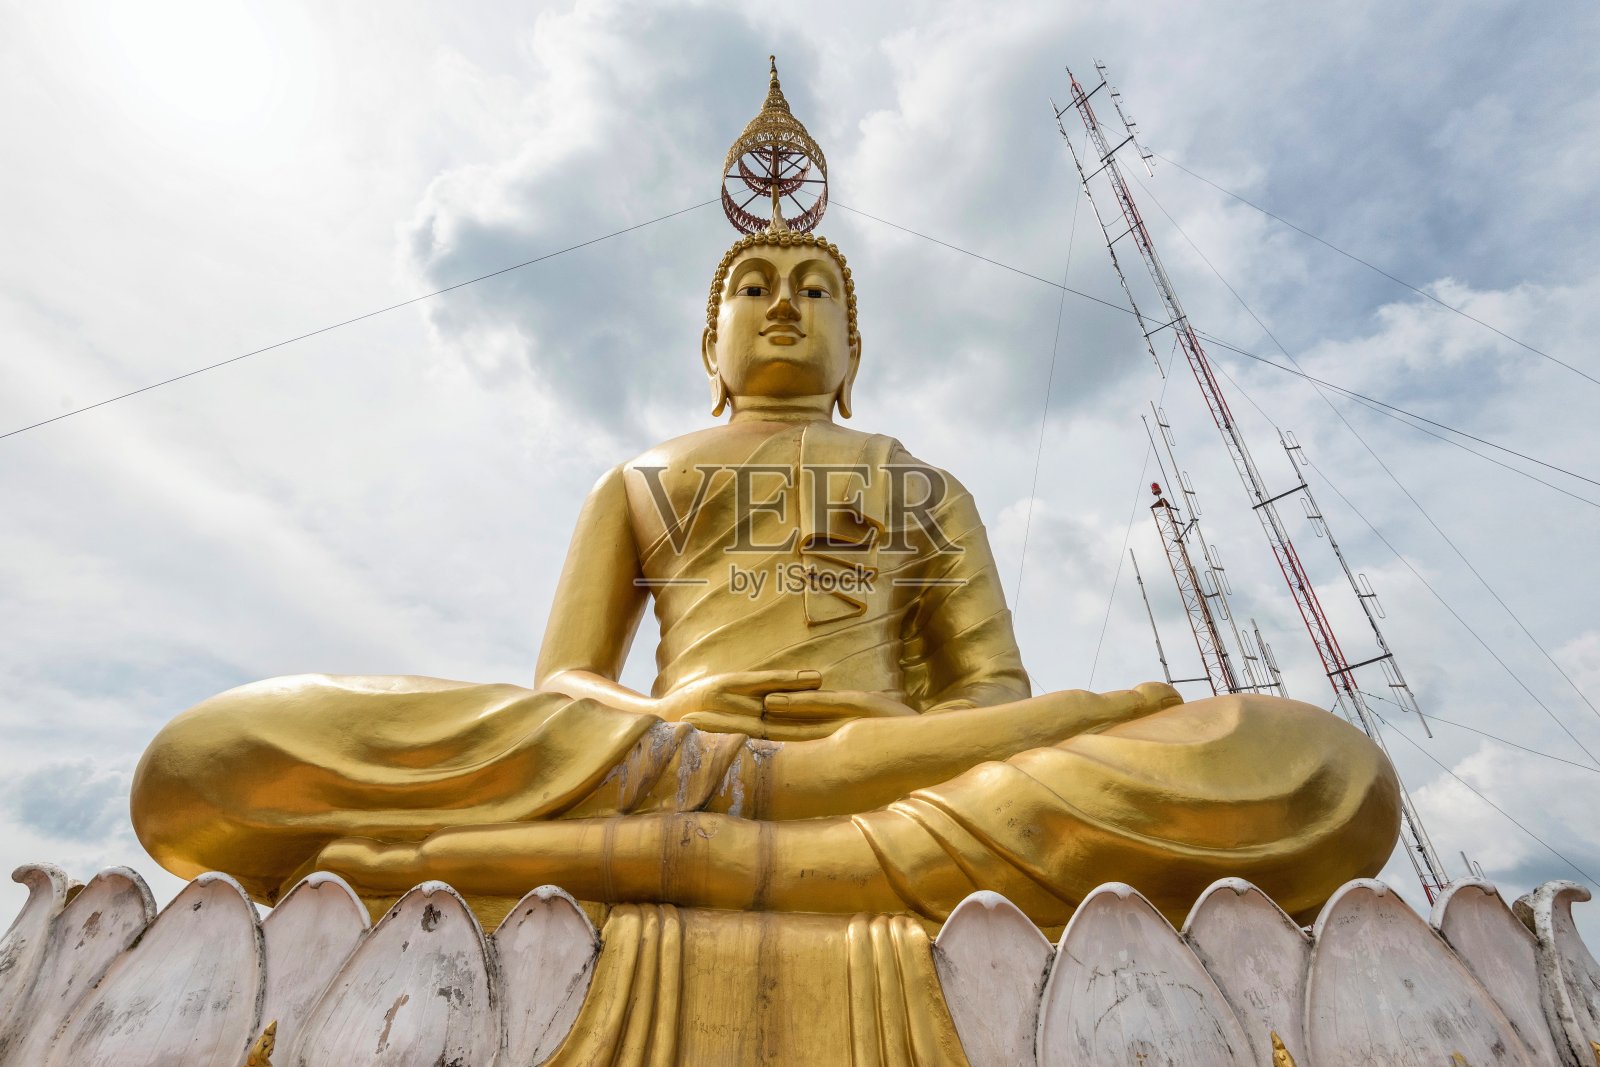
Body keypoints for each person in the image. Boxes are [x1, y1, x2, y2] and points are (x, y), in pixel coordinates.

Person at [131, 226, 1399, 928]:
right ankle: (780, 825)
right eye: (754, 285)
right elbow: (569, 680)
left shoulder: (923, 483)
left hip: (905, 769)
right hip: (663, 754)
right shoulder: (638, 476)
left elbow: (985, 693)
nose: (782, 302)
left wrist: (912, 737)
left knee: (1317, 767)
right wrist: (660, 720)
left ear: (853, 345)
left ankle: (692, 838)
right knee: (215, 759)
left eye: (813, 289)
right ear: (709, 339)